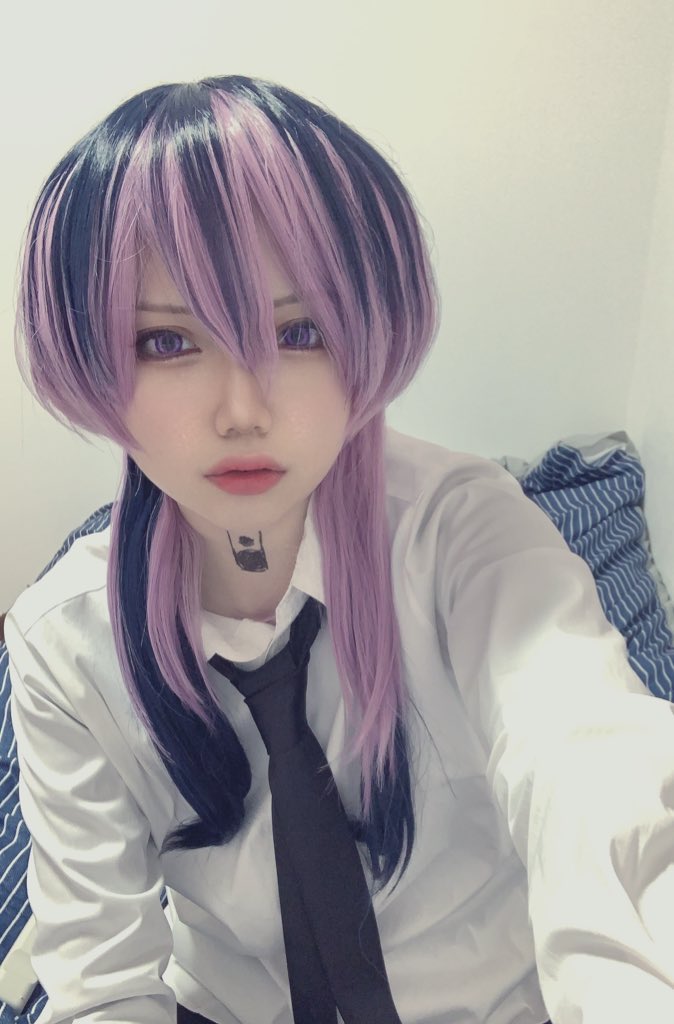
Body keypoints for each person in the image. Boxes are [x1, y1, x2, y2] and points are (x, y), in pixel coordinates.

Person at [5, 74, 674, 1024]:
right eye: (167, 343)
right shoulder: (66, 645)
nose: (244, 409)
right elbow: (102, 980)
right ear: (90, 358)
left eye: (300, 331)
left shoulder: (462, 530)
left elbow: (587, 759)